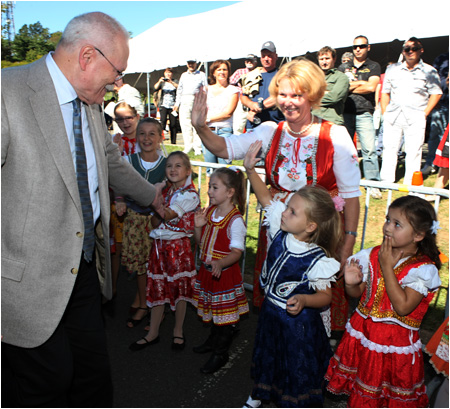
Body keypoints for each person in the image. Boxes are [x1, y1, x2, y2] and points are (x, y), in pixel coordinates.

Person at [1, 12, 163, 407]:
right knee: (45, 384)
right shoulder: (8, 92)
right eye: (117, 71)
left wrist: (154, 196)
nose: (118, 81)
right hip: (29, 283)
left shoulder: (88, 103)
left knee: (93, 377)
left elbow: (109, 160)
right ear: (88, 56)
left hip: (85, 269)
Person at [191, 59, 361, 330]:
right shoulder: (270, 131)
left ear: (313, 95)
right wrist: (201, 127)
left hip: (319, 234)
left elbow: (351, 195)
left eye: (297, 95)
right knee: (279, 301)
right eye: (283, 94)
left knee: (312, 302)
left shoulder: (336, 135)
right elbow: (224, 147)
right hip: (277, 232)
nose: (288, 102)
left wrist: (348, 243)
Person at [243, 144, 342, 408]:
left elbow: (325, 296)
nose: (284, 212)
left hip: (296, 327)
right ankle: (259, 393)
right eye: (287, 207)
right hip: (271, 315)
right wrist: (251, 170)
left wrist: (305, 301)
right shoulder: (280, 232)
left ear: (311, 227)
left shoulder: (318, 260)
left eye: (292, 212)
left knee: (294, 365)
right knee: (267, 355)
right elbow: (266, 199)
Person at [325, 195, 442, 407]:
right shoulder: (372, 254)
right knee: (362, 387)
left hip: (393, 345)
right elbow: (359, 294)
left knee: (387, 394)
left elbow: (403, 306)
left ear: (418, 235)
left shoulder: (423, 269)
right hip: (363, 335)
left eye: (397, 224)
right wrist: (351, 283)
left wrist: (387, 266)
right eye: (388, 219)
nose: (388, 227)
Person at [129, 151, 199, 351]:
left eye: (178, 166)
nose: (173, 170)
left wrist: (153, 195)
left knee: (179, 290)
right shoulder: (167, 192)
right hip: (159, 246)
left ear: (187, 171)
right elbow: (154, 222)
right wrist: (158, 197)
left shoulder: (189, 195)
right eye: (169, 166)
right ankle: (153, 333)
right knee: (157, 286)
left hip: (178, 248)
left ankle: (178, 330)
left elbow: (167, 214)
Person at [192, 167, 249, 374]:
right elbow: (201, 243)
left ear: (230, 192)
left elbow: (236, 253)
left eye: (214, 187)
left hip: (223, 275)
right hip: (209, 273)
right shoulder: (210, 212)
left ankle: (221, 352)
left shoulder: (235, 221)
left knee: (225, 315)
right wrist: (198, 227)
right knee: (214, 311)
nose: (209, 192)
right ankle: (213, 340)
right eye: (209, 187)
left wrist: (220, 263)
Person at [115, 118, 167, 328]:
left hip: (158, 222)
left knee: (155, 265)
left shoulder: (167, 164)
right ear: (137, 138)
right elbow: (119, 181)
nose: (147, 138)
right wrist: (119, 200)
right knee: (140, 265)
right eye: (143, 134)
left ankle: (152, 304)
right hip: (136, 221)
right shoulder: (128, 160)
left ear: (160, 137)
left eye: (152, 134)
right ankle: (145, 301)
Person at [380, 37, 442, 186]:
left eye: (414, 48)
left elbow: (436, 92)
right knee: (389, 148)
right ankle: (387, 181)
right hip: (393, 115)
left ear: (421, 50)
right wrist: (385, 112)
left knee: (414, 150)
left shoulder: (429, 71)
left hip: (416, 116)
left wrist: (424, 113)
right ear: (403, 51)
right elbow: (385, 92)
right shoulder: (392, 69)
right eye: (407, 49)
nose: (410, 51)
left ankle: (411, 183)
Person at [338, 35, 382, 199]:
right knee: (345, 149)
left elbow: (371, 87)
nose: (358, 49)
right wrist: (360, 84)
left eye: (362, 46)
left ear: (368, 47)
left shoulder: (373, 66)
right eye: (355, 46)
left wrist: (350, 86)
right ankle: (344, 181)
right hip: (346, 111)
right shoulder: (344, 67)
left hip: (364, 112)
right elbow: (341, 88)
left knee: (369, 149)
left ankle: (373, 185)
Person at [110, 102, 142, 297]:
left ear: (136, 116)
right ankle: (112, 289)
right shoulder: (114, 140)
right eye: (119, 119)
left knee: (142, 249)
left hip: (142, 201)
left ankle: (142, 298)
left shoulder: (146, 137)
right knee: (118, 247)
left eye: (128, 117)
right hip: (120, 200)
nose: (125, 122)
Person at [203, 59, 239, 170]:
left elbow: (228, 113)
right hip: (208, 131)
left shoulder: (233, 90)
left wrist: (208, 118)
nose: (222, 72)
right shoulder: (206, 89)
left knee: (225, 169)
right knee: (210, 169)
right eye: (219, 69)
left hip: (225, 132)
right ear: (214, 73)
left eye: (225, 69)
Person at [240, 41, 284, 129]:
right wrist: (251, 104)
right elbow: (243, 96)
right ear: (260, 58)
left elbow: (278, 97)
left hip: (275, 124)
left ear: (276, 56)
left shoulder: (282, 75)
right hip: (253, 124)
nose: (266, 59)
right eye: (263, 56)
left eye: (269, 55)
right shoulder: (252, 75)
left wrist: (257, 108)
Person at [422, 52, 449, 176]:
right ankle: (431, 164)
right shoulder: (442, 59)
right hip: (441, 102)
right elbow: (432, 80)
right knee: (435, 134)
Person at [173, 59, 207, 155]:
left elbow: (205, 88)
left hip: (196, 99)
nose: (191, 65)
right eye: (189, 63)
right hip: (185, 99)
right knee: (185, 123)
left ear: (196, 63)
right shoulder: (183, 75)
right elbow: (179, 90)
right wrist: (177, 103)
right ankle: (188, 146)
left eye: (192, 63)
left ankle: (197, 147)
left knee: (196, 123)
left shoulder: (201, 74)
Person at [312, 46, 349, 126]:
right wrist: (325, 93)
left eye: (327, 58)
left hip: (332, 121)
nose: (324, 62)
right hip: (313, 121)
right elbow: (304, 95)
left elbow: (334, 97)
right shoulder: (313, 77)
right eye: (321, 59)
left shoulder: (341, 77)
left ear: (334, 59)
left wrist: (312, 99)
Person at [230, 53, 259, 134]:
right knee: (238, 127)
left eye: (251, 61)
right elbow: (229, 83)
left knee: (254, 127)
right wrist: (238, 90)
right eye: (247, 61)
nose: (249, 62)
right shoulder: (239, 72)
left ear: (255, 62)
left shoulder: (259, 72)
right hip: (241, 101)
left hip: (254, 101)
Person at [154, 67, 179, 144]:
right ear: (164, 74)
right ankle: (159, 140)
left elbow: (179, 87)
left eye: (170, 73)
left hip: (173, 106)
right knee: (162, 122)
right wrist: (159, 81)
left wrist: (171, 82)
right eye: (167, 73)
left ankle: (173, 141)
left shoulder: (175, 81)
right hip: (163, 105)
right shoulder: (162, 83)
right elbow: (155, 88)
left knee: (173, 124)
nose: (168, 74)